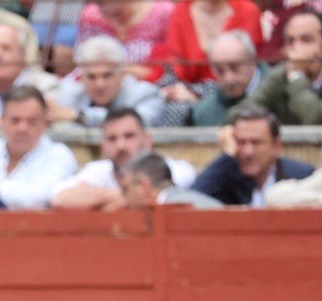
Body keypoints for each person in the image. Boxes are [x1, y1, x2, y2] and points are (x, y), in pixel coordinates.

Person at [0, 84, 78, 209]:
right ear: (2, 121)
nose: (22, 128)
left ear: (45, 122)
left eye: (31, 121)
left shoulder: (59, 155)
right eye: (15, 120)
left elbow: (36, 199)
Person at [52, 107, 196, 209]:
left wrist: (99, 198)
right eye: (112, 139)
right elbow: (59, 198)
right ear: (103, 146)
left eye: (129, 136)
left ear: (147, 140)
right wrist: (128, 195)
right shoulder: (98, 170)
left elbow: (166, 194)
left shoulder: (174, 168)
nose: (121, 146)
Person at [192, 104, 315, 205]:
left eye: (256, 143)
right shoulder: (225, 177)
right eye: (240, 142)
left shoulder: (301, 176)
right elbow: (190, 201)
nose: (248, 152)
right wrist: (227, 156)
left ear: (276, 146)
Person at [229, 10, 322, 125]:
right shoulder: (280, 75)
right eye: (290, 41)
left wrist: (297, 77)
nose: (297, 48)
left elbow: (316, 120)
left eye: (306, 40)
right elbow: (236, 115)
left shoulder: (292, 73)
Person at [51, 35, 164, 128]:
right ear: (81, 78)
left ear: (122, 74)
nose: (100, 84)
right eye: (91, 77)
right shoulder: (69, 94)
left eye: (107, 76)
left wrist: (80, 116)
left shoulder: (146, 95)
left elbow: (133, 124)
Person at [161, 0, 263, 86]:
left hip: (234, 91)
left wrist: (198, 96)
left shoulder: (247, 11)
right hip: (185, 92)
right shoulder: (180, 12)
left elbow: (250, 70)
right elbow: (174, 67)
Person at [76, 0, 173, 83]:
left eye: (118, 14)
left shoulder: (164, 12)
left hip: (152, 85)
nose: (113, 20)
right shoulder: (90, 15)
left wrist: (146, 73)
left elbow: (174, 66)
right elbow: (81, 60)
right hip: (101, 84)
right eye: (105, 14)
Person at [190, 30, 263, 126]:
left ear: (252, 61)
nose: (229, 79)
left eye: (235, 68)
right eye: (220, 71)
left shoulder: (280, 94)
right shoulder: (203, 113)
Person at [119, 152, 223, 207]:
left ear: (144, 188)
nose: (123, 198)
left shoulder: (177, 209)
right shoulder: (188, 200)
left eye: (125, 189)